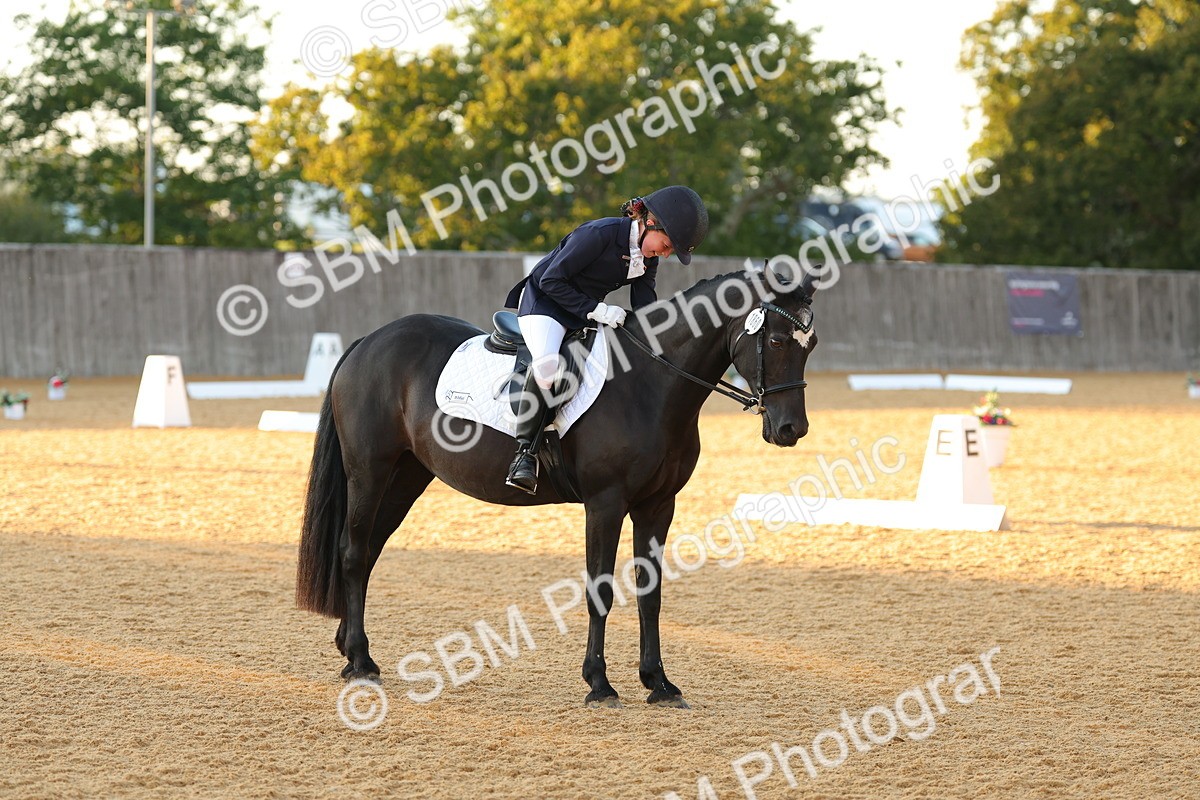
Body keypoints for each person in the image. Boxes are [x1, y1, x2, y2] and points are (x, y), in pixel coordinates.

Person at [501, 185, 709, 494]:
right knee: (547, 368)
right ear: (650, 223)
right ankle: (524, 456)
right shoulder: (599, 234)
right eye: (667, 245)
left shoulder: (646, 256)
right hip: (543, 305)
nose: (666, 253)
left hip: (583, 314)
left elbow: (644, 304)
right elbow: (550, 280)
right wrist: (596, 309)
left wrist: (662, 339)